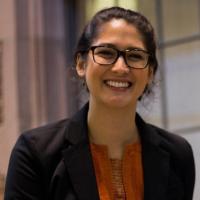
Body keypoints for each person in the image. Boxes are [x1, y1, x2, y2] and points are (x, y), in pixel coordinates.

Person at [4, 6, 195, 200]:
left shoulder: (177, 154)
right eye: (106, 53)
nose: (121, 68)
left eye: (135, 56)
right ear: (81, 64)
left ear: (150, 73)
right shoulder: (35, 153)